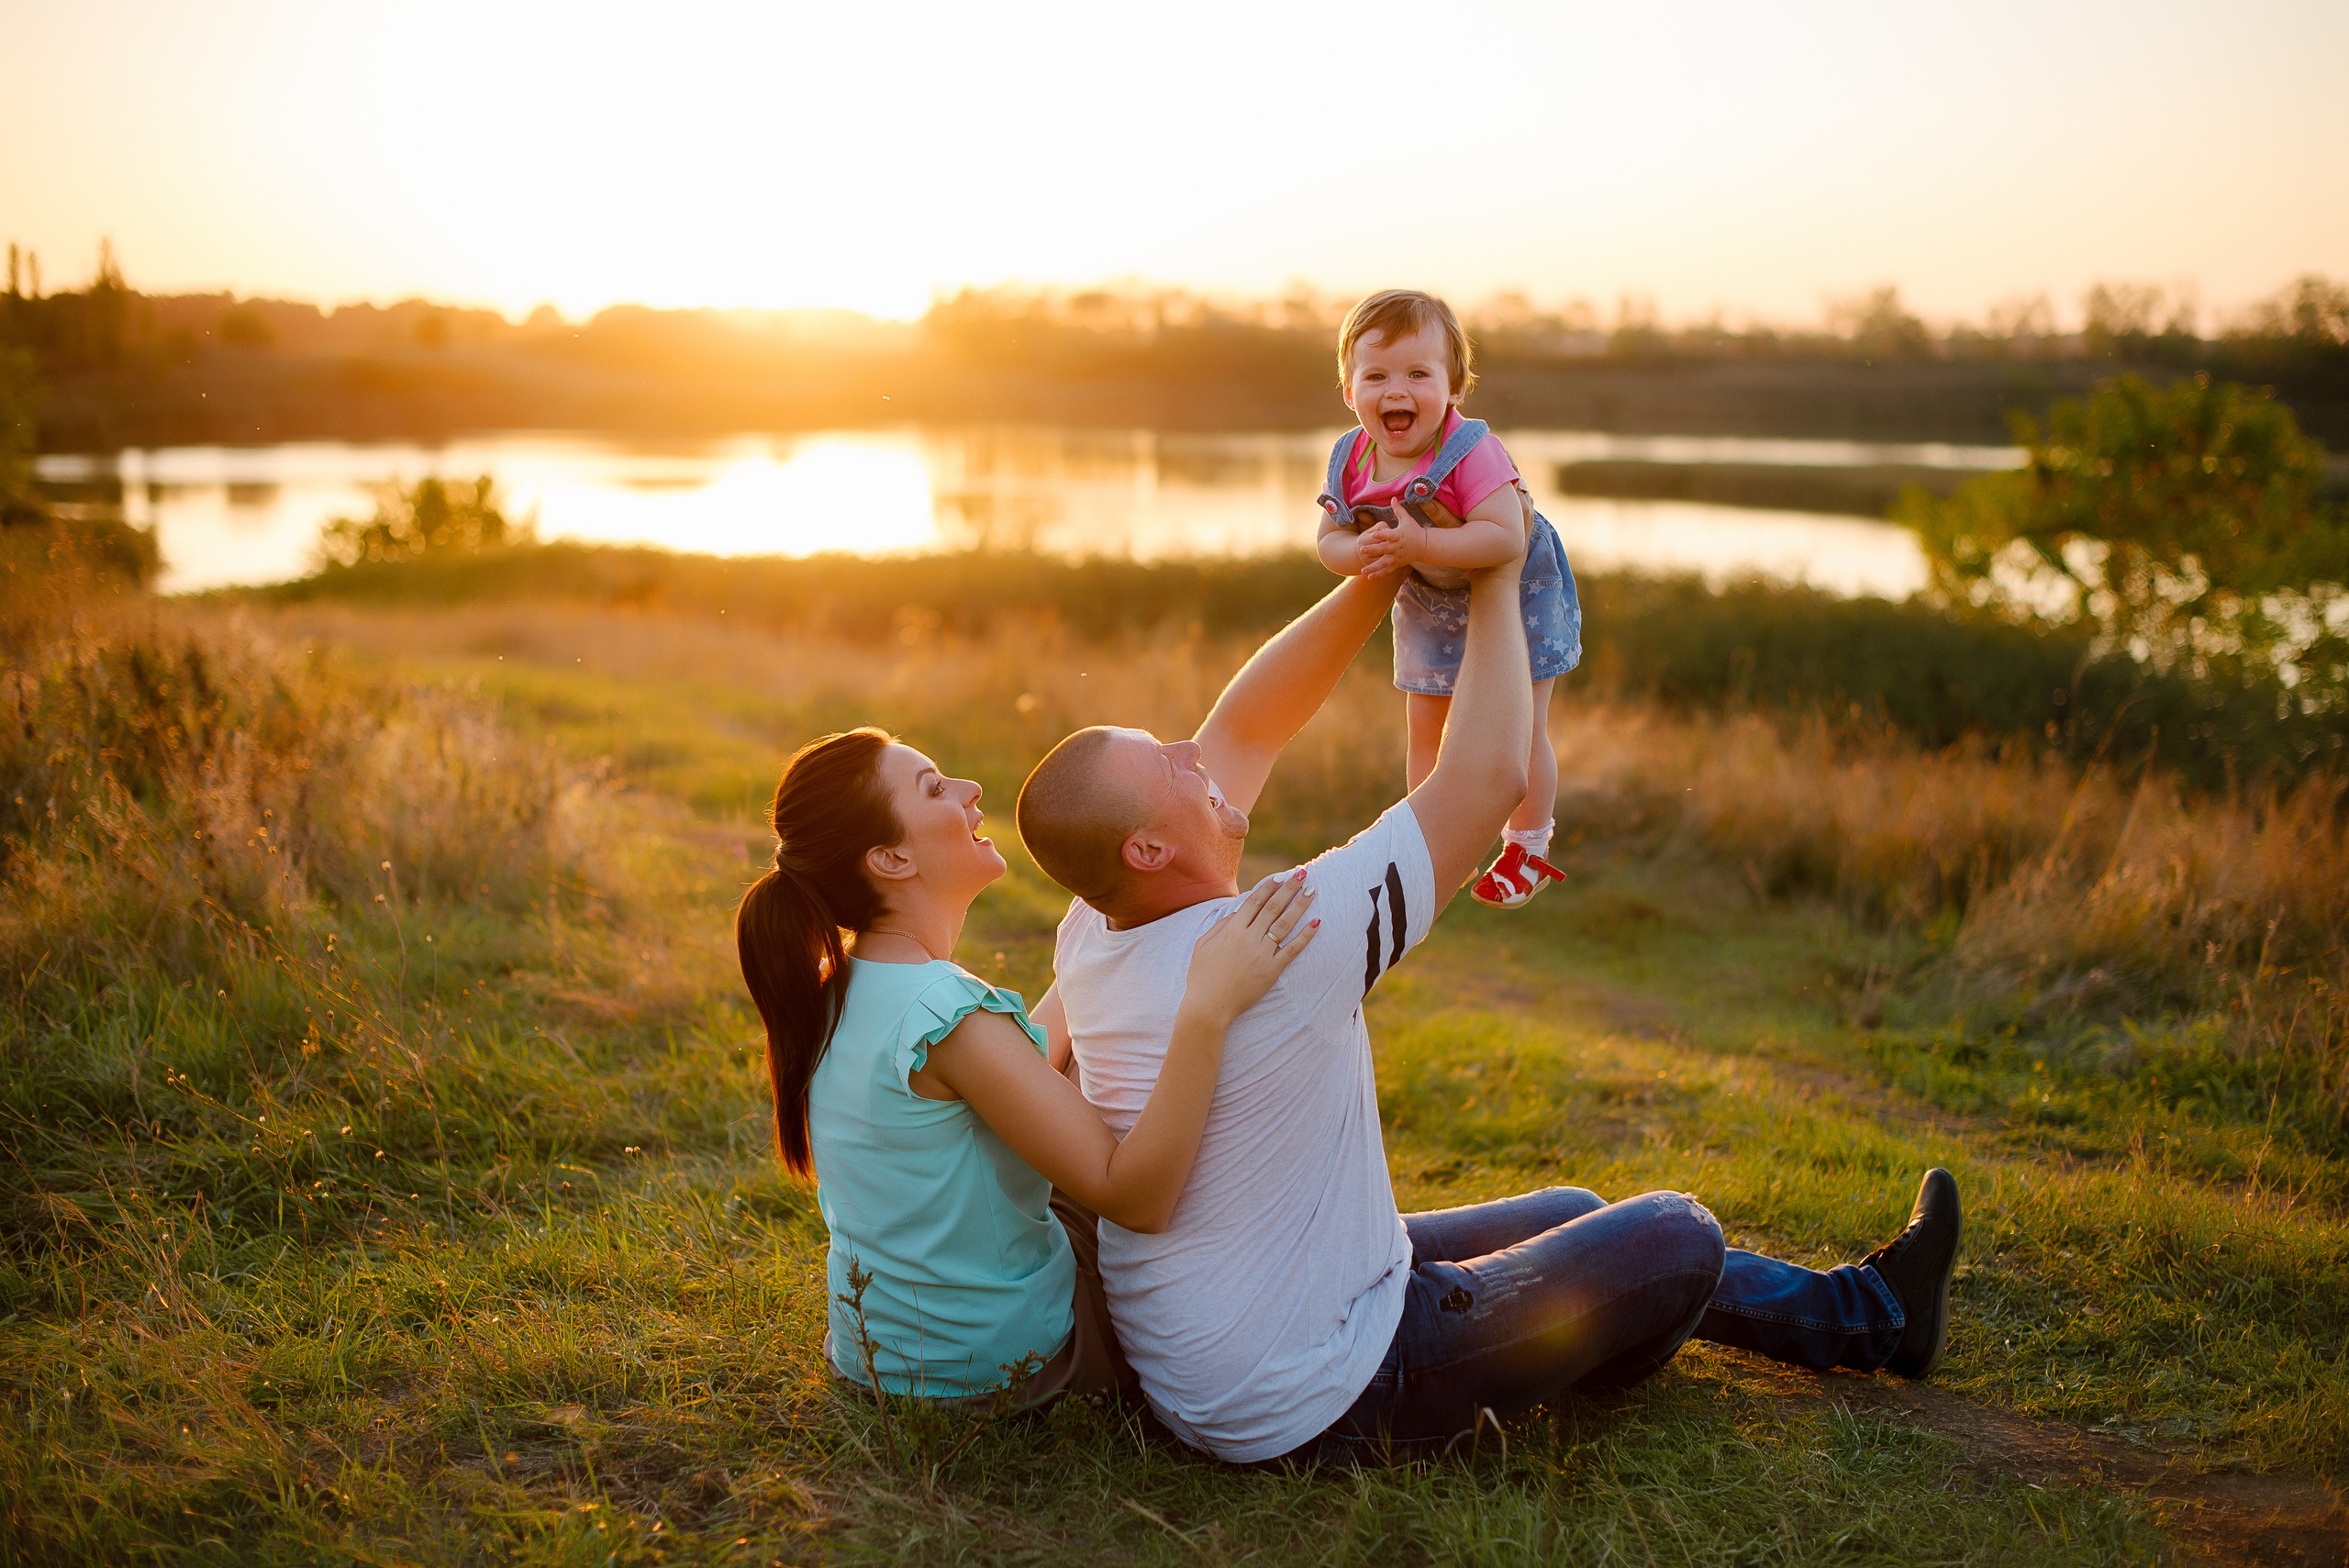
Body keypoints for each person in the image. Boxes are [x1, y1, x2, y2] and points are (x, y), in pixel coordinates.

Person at [1016, 536, 1962, 1465]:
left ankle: (1871, 1312)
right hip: (1317, 1390)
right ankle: (1628, 1346)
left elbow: (1248, 726)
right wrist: (1503, 571)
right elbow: (1484, 779)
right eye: (1170, 764)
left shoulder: (1096, 924)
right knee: (1677, 1232)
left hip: (1213, 1353)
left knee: (1575, 1205)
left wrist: (1384, 573)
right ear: (1144, 847)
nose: (1194, 752)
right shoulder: (1286, 936)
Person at [734, 726, 1321, 1407]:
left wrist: (1088, 951)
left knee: (1077, 1074)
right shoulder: (945, 1012)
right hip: (999, 1364)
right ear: (891, 857)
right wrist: (1206, 1008)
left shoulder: (844, 983)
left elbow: (1014, 1064)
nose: (969, 789)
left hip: (887, 1351)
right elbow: (1135, 1199)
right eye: (933, 787)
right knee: (1144, 1143)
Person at [1314, 287, 1581, 909]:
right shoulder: (1352, 459)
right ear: (1351, 391)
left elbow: (1505, 534)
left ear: (1453, 387)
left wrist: (1423, 538)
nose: (1395, 390)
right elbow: (1327, 538)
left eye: (1417, 373)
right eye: (1375, 375)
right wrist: (1356, 555)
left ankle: (1528, 847)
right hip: (1429, 597)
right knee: (1426, 722)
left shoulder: (1470, 451)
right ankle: (1427, 842)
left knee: (1522, 725)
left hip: (1519, 592)